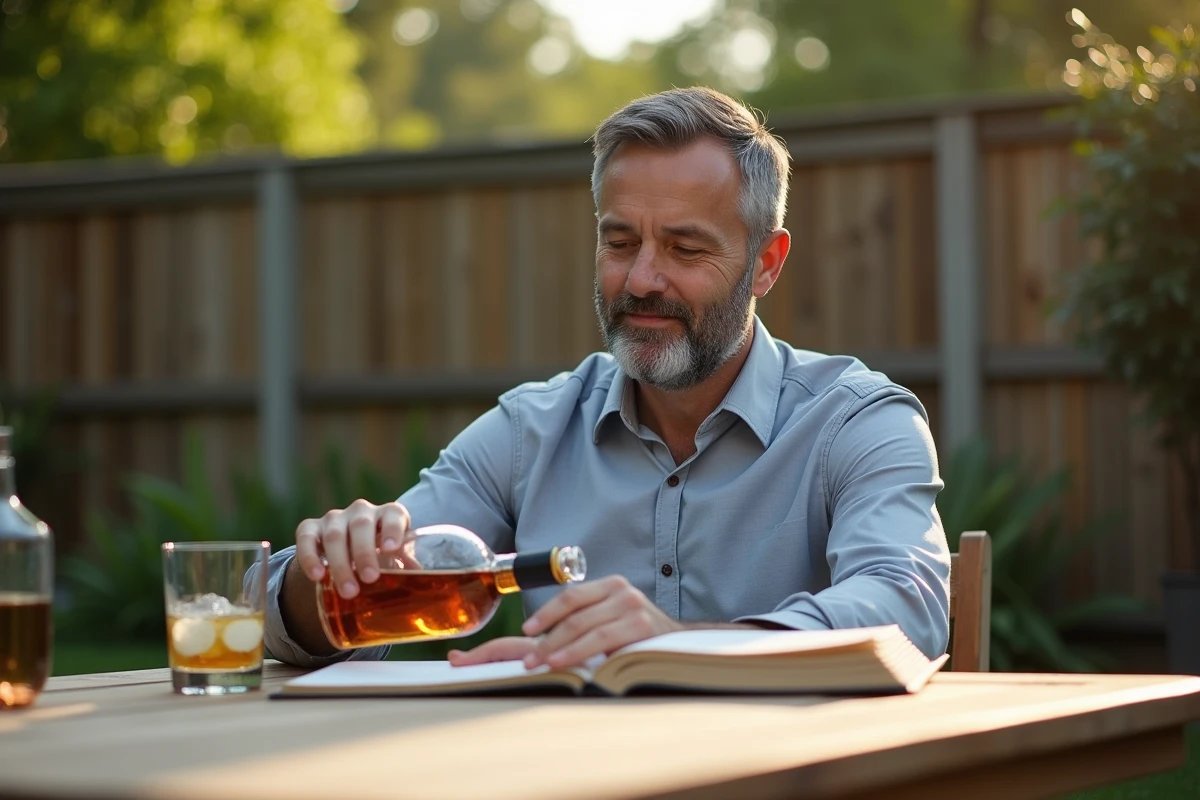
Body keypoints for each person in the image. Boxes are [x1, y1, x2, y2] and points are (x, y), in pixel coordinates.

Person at [255, 86, 950, 671]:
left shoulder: (858, 421)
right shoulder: (532, 429)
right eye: (620, 243)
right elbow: (317, 607)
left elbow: (906, 608)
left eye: (685, 248)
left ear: (765, 263)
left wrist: (681, 648)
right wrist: (322, 577)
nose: (642, 279)